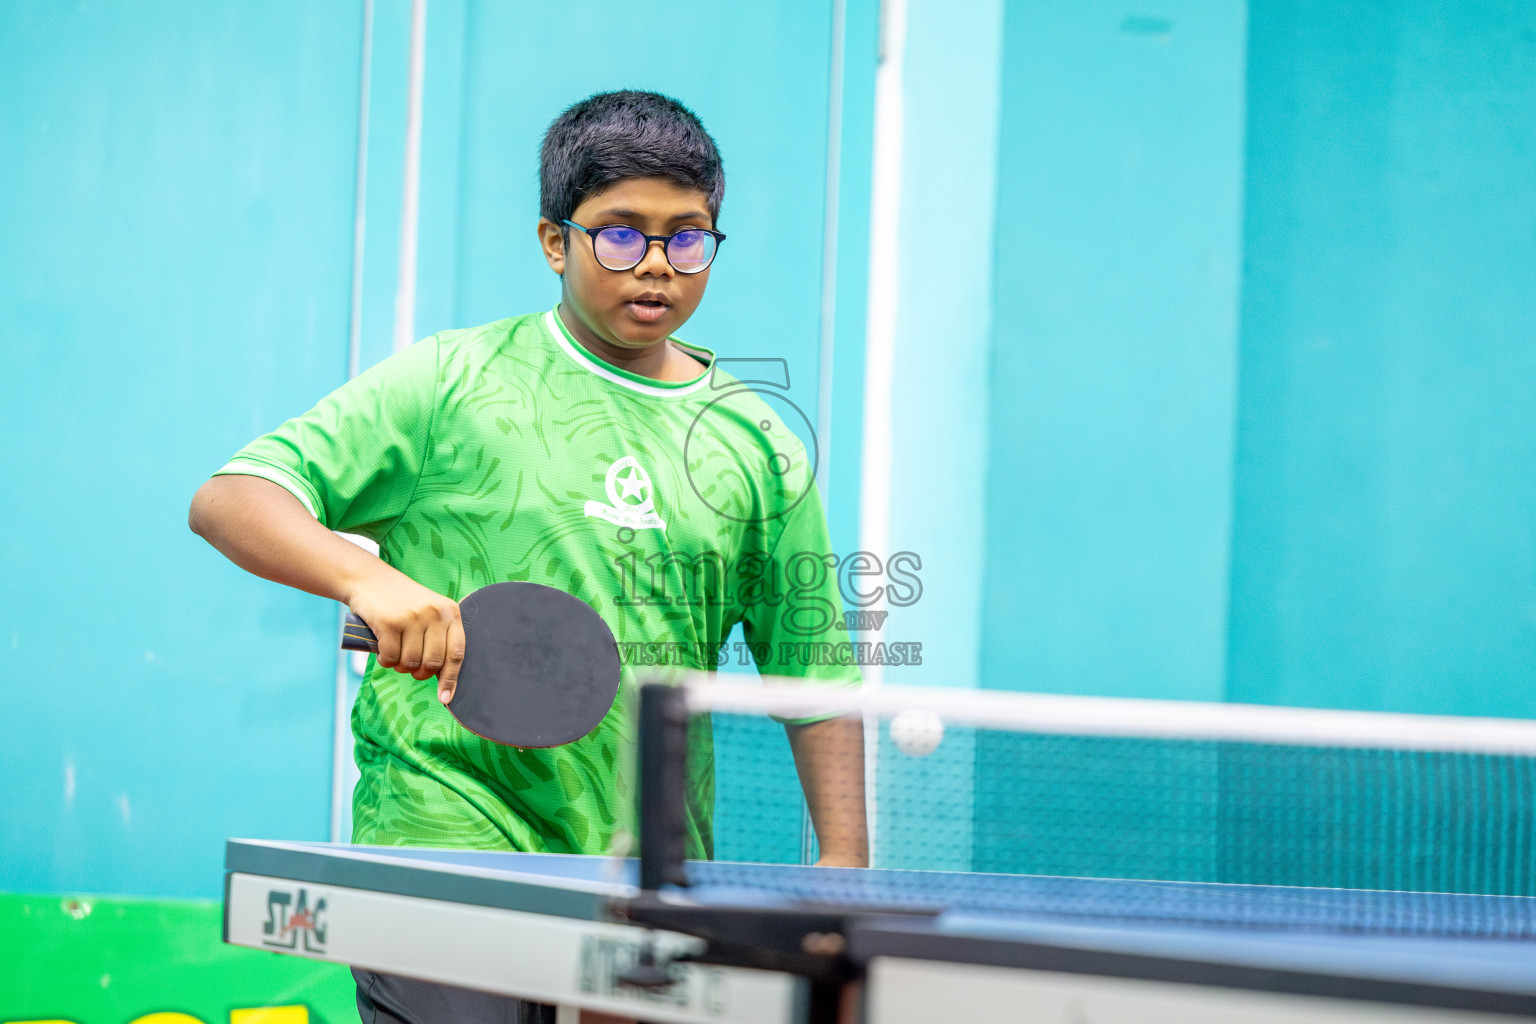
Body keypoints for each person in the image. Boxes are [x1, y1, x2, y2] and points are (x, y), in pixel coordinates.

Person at [189, 90, 866, 1024]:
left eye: (689, 237)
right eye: (621, 236)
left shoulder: (758, 444)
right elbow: (232, 498)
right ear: (556, 241)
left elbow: (814, 670)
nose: (659, 265)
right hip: (441, 846)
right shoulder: (450, 382)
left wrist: (844, 867)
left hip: (640, 870)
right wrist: (367, 578)